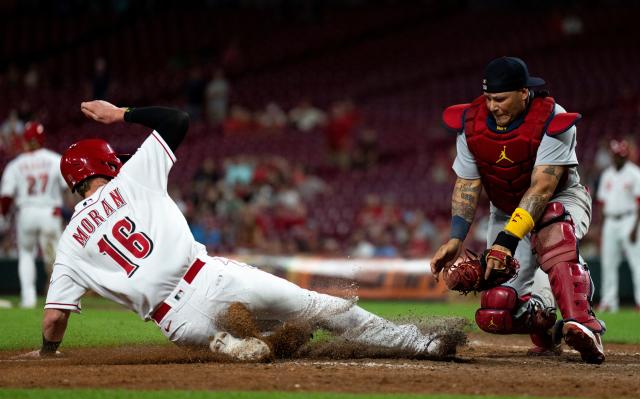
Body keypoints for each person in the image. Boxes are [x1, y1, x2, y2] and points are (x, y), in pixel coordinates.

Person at [29, 100, 460, 361]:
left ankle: (234, 343)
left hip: (177, 322)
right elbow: (177, 120)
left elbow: (53, 321)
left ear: (73, 184)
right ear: (108, 165)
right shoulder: (131, 179)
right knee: (324, 310)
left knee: (276, 335)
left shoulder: (69, 243)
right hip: (212, 277)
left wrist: (49, 353)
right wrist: (120, 113)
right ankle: (419, 344)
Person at [431, 56, 606, 364]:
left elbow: (541, 189)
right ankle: (544, 328)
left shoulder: (553, 118)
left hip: (562, 199)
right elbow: (467, 185)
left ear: (523, 93)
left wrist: (506, 242)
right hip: (506, 209)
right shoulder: (471, 124)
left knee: (553, 227)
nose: (492, 106)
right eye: (487, 99)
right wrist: (456, 239)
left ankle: (582, 322)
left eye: (500, 99)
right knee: (497, 308)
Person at [0, 121, 67, 308]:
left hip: (26, 213)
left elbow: (6, 197)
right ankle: (60, 299)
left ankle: (28, 299)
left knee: (26, 255)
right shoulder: (54, 159)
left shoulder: (16, 164)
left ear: (25, 140)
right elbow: (68, 186)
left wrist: (4, 216)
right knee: (56, 259)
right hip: (49, 212)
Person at [596, 139, 640, 312]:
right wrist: (600, 229)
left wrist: (635, 228)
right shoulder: (607, 174)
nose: (616, 159)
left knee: (637, 262)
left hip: (630, 220)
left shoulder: (635, 173)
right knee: (608, 263)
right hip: (610, 221)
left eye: (619, 156)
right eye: (614, 156)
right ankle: (609, 301)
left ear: (625, 156)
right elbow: (601, 203)